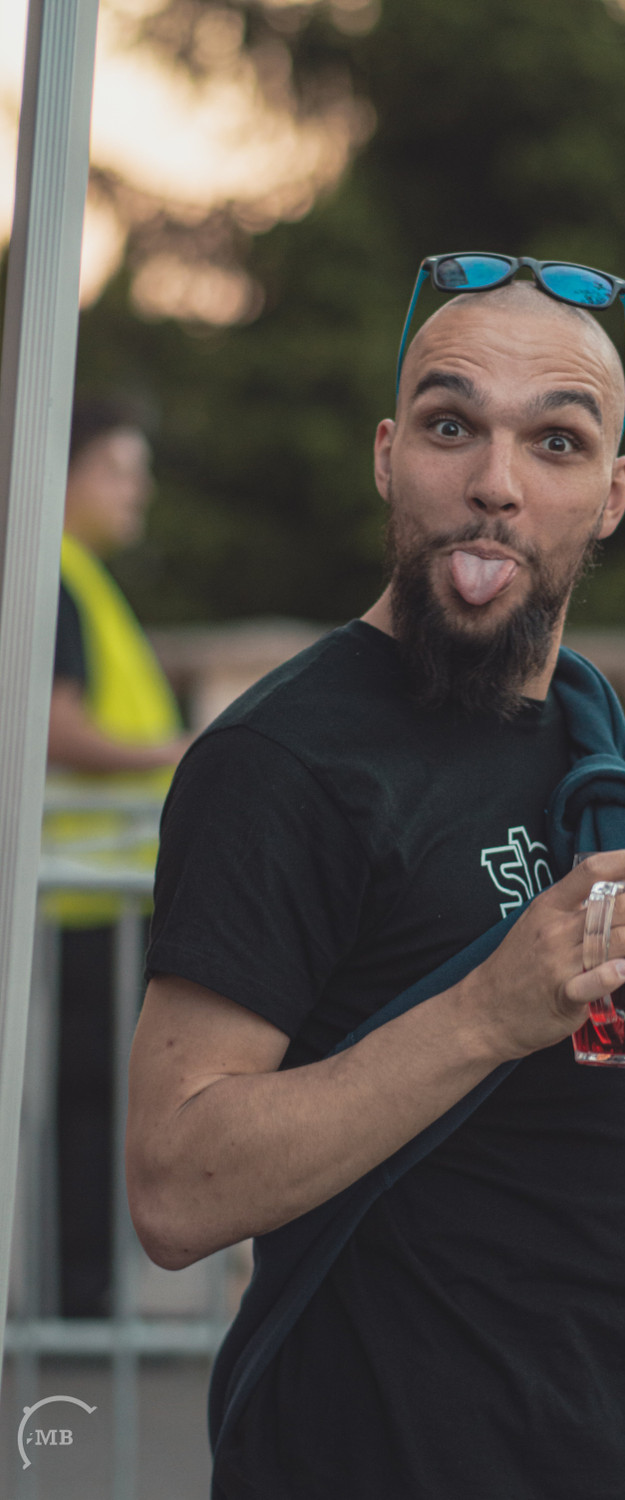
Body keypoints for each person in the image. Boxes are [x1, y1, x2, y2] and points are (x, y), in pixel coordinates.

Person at [126, 258, 625, 1499]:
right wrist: (485, 1010)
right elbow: (173, 1185)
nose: (495, 482)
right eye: (450, 425)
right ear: (388, 456)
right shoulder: (282, 761)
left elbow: (498, 1138)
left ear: (613, 494)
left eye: (557, 441)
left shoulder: (584, 735)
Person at [48, 397, 188, 1317]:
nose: (136, 490)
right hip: (78, 896)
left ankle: (82, 1299)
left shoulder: (80, 577)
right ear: (66, 475)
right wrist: (179, 754)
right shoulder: (57, 578)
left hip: (97, 891)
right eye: (118, 470)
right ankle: (77, 1302)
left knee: (95, 1102)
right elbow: (54, 727)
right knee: (87, 1104)